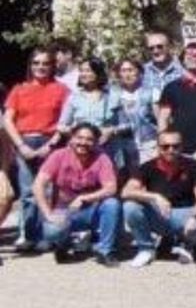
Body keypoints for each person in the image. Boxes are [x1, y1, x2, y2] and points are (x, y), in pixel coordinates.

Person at [5, 48, 71, 250]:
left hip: (50, 143)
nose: (40, 67)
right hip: (24, 141)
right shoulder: (19, 89)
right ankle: (29, 236)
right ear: (30, 66)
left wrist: (50, 145)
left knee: (48, 190)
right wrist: (20, 145)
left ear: (52, 66)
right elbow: (8, 120)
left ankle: (47, 235)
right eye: (36, 63)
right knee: (27, 192)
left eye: (45, 63)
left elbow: (66, 120)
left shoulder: (61, 90)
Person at [32, 123, 121, 265]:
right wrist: (48, 213)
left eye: (89, 139)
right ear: (71, 138)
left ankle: (105, 251)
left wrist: (84, 197)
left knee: (112, 204)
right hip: (64, 211)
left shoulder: (102, 158)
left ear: (96, 142)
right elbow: (38, 184)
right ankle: (62, 246)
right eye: (79, 137)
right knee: (52, 231)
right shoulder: (58, 155)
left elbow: (111, 188)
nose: (83, 142)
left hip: (91, 211)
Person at [121, 128, 196, 267]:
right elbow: (126, 192)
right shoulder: (147, 167)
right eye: (165, 146)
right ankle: (146, 249)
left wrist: (195, 217)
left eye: (175, 146)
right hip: (159, 214)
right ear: (158, 148)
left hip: (185, 214)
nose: (170, 150)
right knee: (130, 207)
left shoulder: (195, 166)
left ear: (182, 146)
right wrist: (154, 196)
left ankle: (188, 245)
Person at [109, 58, 159, 175]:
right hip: (122, 148)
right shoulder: (114, 95)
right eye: (123, 71)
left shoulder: (152, 92)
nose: (127, 74)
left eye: (131, 70)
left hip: (148, 145)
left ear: (139, 72)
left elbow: (160, 120)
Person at [58, 58, 117, 144]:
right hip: (79, 146)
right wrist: (76, 134)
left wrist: (111, 131)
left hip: (104, 146)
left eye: (88, 71)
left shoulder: (112, 97)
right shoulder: (74, 97)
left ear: (98, 73)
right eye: (81, 71)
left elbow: (125, 124)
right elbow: (61, 125)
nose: (83, 74)